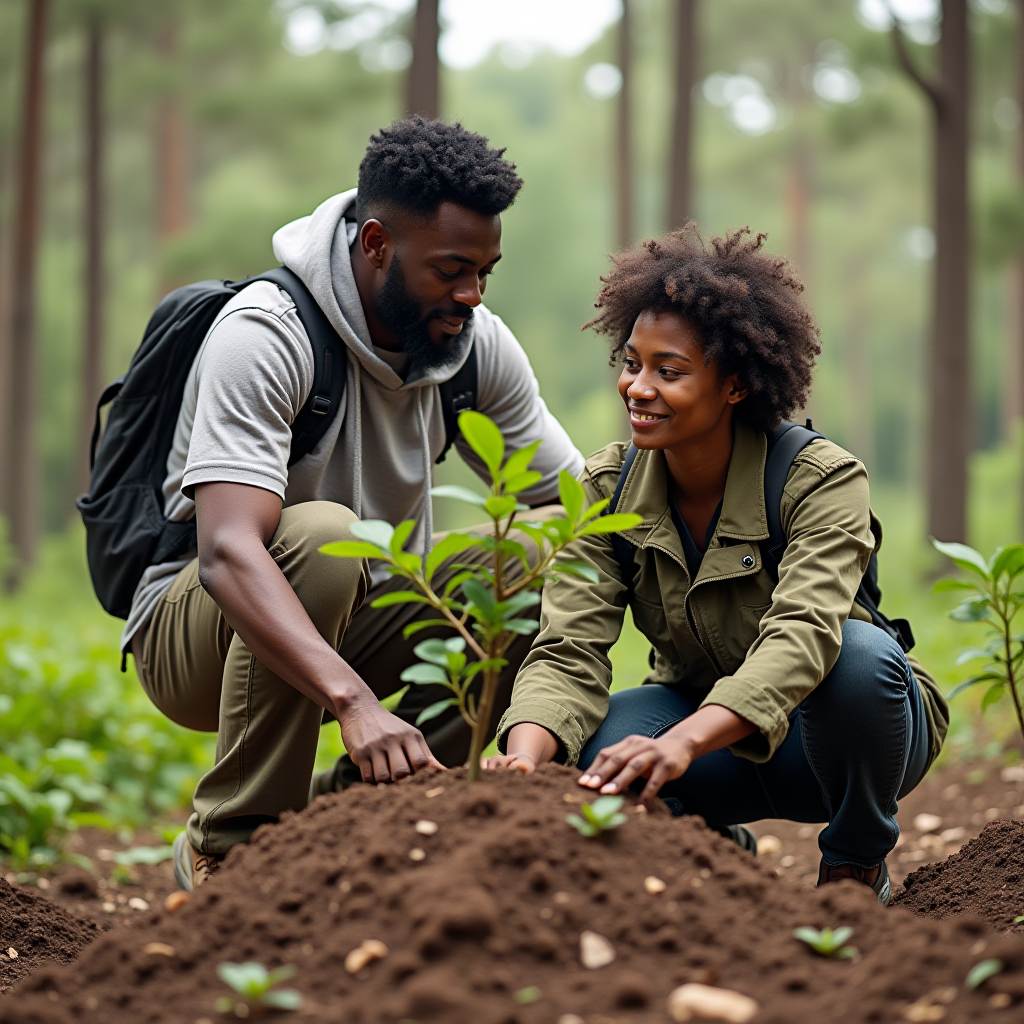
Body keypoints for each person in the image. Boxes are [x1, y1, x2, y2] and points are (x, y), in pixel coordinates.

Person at [123, 118, 583, 890]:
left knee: (537, 553)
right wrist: (354, 702)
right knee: (323, 537)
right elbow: (228, 552)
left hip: (357, 608)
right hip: (200, 630)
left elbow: (576, 502)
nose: (470, 294)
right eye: (451, 270)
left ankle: (361, 817)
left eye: (485, 272)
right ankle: (234, 850)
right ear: (376, 244)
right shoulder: (267, 333)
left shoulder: (474, 341)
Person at [485, 225, 948, 905]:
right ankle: (705, 852)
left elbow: (806, 633)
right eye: (631, 362)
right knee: (589, 750)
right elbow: (567, 650)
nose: (637, 388)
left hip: (841, 738)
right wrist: (525, 758)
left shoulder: (819, 478)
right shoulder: (605, 489)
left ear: (733, 385)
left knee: (859, 656)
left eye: (668, 371)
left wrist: (684, 743)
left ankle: (854, 863)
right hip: (705, 734)